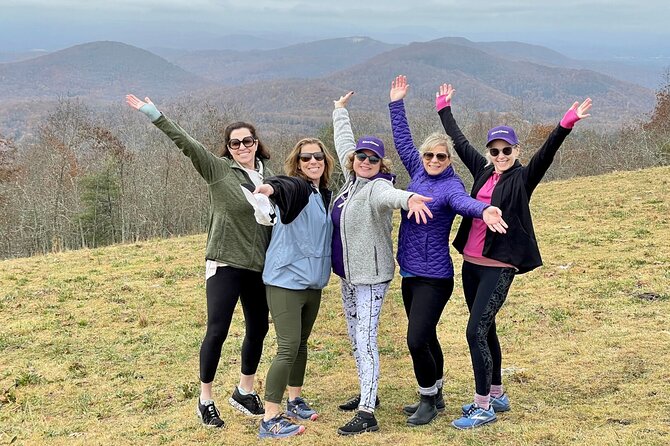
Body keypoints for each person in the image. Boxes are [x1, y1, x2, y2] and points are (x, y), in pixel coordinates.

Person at [435, 84, 592, 429]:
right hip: (471, 263)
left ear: (516, 149)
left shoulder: (523, 178)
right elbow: (460, 144)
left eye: (507, 149)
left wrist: (565, 125)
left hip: (499, 266)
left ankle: (483, 406)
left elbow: (547, 154)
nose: (501, 154)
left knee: (474, 331)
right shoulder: (483, 171)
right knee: (486, 327)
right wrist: (443, 110)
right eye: (495, 149)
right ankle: (497, 393)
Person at [125, 94, 274, 428]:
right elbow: (186, 143)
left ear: (256, 143)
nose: (242, 146)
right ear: (228, 148)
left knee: (259, 328)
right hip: (225, 262)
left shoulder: (270, 176)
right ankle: (205, 399)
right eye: (234, 143)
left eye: (247, 140)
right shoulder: (219, 170)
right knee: (217, 330)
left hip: (259, 266)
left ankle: (244, 392)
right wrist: (154, 114)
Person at [387, 75, 507, 427]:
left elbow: (464, 202)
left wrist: (483, 210)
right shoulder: (416, 170)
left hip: (434, 277)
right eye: (429, 154)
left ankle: (427, 399)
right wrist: (396, 103)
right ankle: (435, 393)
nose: (434, 159)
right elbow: (402, 139)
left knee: (415, 339)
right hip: (410, 272)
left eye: (441, 155)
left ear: (448, 159)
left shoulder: (451, 185)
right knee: (427, 336)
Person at [331, 91, 433, 436]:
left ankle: (367, 412)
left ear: (381, 165)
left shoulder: (376, 187)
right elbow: (343, 140)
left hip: (372, 277)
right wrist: (339, 111)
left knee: (366, 338)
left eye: (372, 159)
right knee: (354, 337)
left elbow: (392, 196)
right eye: (361, 156)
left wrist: (410, 199)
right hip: (347, 276)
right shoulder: (350, 181)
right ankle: (366, 390)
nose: (365, 161)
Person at [249, 138, 335, 439]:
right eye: (305, 158)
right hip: (286, 281)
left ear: (326, 161)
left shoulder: (323, 193)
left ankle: (294, 399)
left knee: (300, 344)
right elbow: (283, 186)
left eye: (318, 157)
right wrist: (268, 189)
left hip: (313, 282)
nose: (313, 162)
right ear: (297, 163)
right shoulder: (297, 189)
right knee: (287, 347)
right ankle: (270, 418)